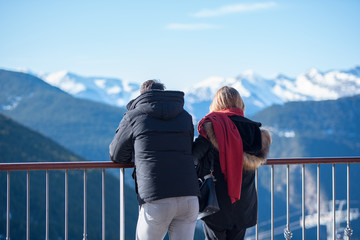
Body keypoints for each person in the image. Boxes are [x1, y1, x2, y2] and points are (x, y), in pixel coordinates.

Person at [109, 80, 200, 240]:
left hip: (156, 196)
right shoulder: (185, 116)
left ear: (142, 95)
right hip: (189, 194)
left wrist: (138, 154)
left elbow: (116, 154)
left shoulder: (134, 117)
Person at [193, 86, 271, 240]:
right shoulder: (254, 130)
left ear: (217, 103)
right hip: (244, 204)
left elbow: (193, 156)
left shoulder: (213, 127)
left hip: (215, 203)